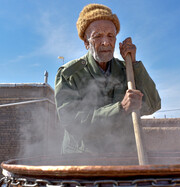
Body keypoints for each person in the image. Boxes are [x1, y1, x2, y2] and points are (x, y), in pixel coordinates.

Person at [55, 4, 161, 155]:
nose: (106, 42)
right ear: (86, 43)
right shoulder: (69, 74)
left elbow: (153, 104)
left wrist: (135, 65)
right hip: (82, 162)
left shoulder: (127, 70)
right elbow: (72, 122)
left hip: (124, 158)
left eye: (110, 36)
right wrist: (120, 108)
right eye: (98, 36)